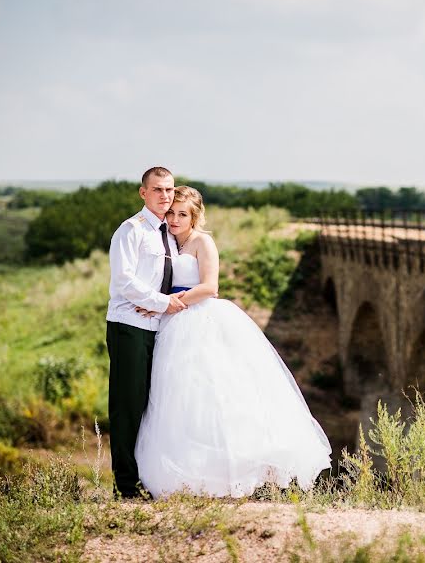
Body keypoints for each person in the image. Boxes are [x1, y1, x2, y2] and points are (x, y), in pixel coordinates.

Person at [135, 186, 331, 498]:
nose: (174, 218)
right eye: (171, 212)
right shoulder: (167, 241)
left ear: (195, 216)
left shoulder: (202, 242)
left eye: (182, 214)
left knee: (214, 393)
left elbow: (210, 287)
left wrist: (166, 302)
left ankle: (230, 474)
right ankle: (192, 476)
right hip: (171, 324)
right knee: (178, 398)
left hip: (199, 318)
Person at [106, 167, 187, 499]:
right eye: (157, 190)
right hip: (129, 327)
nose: (164, 196)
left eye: (169, 189)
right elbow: (125, 281)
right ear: (143, 193)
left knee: (152, 404)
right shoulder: (131, 230)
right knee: (127, 404)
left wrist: (160, 307)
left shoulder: (170, 233)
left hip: (159, 328)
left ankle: (149, 479)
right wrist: (159, 302)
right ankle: (125, 487)